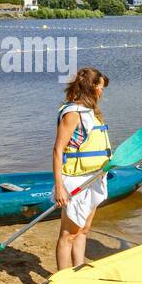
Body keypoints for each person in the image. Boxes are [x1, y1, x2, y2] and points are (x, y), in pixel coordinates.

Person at [52, 67, 112, 271]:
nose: (102, 92)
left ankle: (79, 271)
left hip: (93, 178)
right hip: (75, 180)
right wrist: (59, 187)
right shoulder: (73, 114)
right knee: (68, 234)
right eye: (101, 87)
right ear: (92, 87)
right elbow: (58, 150)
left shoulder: (92, 113)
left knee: (84, 230)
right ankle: (62, 279)